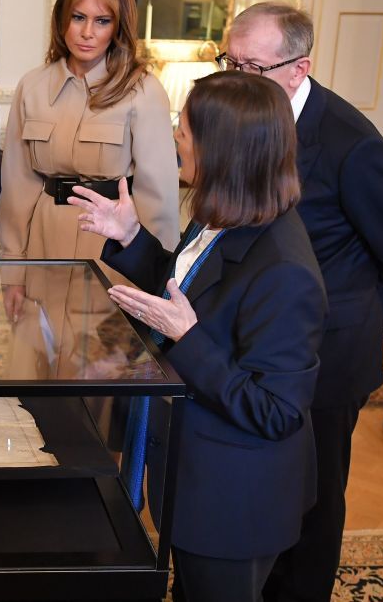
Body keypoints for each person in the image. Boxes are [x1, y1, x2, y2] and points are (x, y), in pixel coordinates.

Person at [70, 71, 327, 602]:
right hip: (194, 480)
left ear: (224, 149)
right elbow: (189, 288)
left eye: (184, 130)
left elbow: (275, 411)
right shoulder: (224, 216)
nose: (174, 137)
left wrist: (185, 337)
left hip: (234, 502)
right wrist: (131, 236)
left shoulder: (285, 270)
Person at [218, 3, 383, 602]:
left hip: (329, 349)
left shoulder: (352, 144)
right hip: (264, 340)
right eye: (229, 62)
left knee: (313, 495)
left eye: (251, 67)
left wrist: (340, 294)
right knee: (270, 481)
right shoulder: (246, 115)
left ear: (298, 67)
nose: (236, 79)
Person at [0, 0, 177, 379]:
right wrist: (12, 271)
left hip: (110, 253)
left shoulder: (142, 89)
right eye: (78, 17)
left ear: (118, 27)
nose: (87, 31)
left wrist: (151, 281)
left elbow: (158, 198)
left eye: (101, 20)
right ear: (62, 19)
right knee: (33, 369)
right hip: (42, 246)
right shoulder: (33, 85)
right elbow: (17, 186)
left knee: (96, 375)